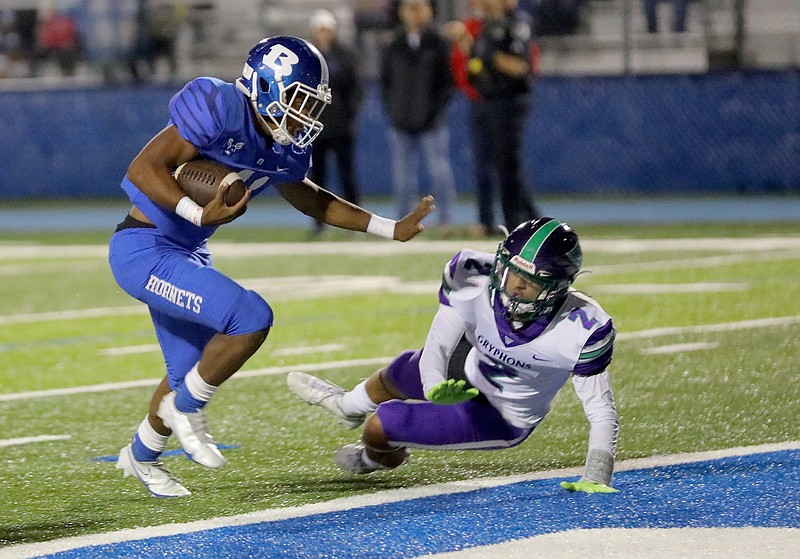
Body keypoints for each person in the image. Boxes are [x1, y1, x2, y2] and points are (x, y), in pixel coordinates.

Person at [110, 35, 436, 498]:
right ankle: (185, 409)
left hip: (187, 251)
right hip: (144, 249)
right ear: (266, 86)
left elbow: (312, 199)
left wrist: (389, 227)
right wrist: (196, 213)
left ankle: (140, 458)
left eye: (312, 105)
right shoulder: (219, 106)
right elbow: (142, 168)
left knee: (188, 366)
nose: (306, 115)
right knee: (250, 317)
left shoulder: (283, 146)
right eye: (300, 99)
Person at [288, 218, 619, 494]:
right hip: (472, 366)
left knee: (381, 426)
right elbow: (440, 344)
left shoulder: (583, 327)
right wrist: (433, 384)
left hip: (502, 414)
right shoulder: (472, 274)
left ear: (557, 288)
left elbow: (600, 408)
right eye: (511, 272)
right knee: (403, 369)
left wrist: (597, 473)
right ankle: (347, 406)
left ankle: (376, 459)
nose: (515, 286)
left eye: (530, 282)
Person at [448, 0, 541, 236]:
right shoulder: (489, 26)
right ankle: (527, 219)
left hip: (508, 100)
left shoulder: (517, 24)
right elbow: (478, 60)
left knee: (507, 163)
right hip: (487, 100)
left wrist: (491, 58)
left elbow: (520, 66)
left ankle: (520, 220)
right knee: (498, 164)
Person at [381, 0, 458, 230]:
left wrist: (435, 113)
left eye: (419, 7)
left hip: (432, 122)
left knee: (440, 172)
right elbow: (386, 83)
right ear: (402, 13)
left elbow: (447, 83)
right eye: (410, 8)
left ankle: (445, 221)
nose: (415, 14)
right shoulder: (394, 44)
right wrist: (394, 112)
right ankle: (404, 224)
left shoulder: (438, 43)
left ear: (429, 11)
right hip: (401, 121)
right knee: (403, 178)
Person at [307, 9, 363, 237]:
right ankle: (319, 223)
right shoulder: (308, 57)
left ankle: (356, 222)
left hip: (340, 125)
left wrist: (349, 116)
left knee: (347, 175)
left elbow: (355, 89)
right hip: (314, 126)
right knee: (317, 179)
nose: (324, 34)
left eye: (327, 29)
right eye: (320, 29)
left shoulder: (345, 56)